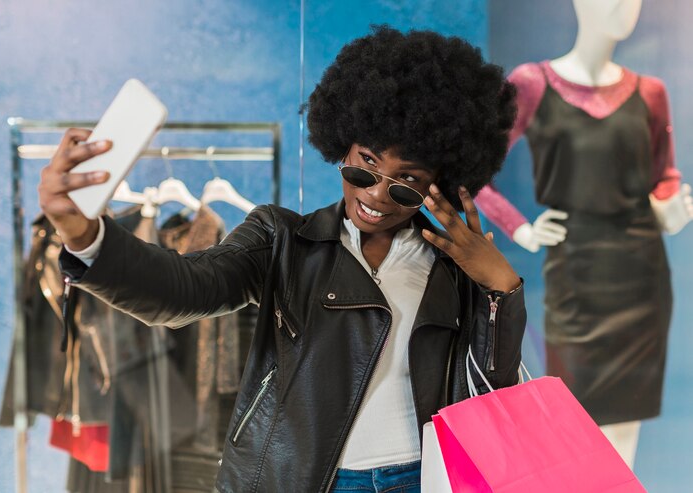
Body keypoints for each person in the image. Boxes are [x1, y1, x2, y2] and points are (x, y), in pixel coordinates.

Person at [39, 26, 525, 492]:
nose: (376, 194)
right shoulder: (282, 240)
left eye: (405, 182)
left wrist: (502, 287)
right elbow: (183, 289)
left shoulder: (452, 268)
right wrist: (84, 235)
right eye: (366, 165)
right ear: (343, 144)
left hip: (418, 480)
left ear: (435, 185)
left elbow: (489, 395)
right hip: (303, 480)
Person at [474, 0, 693, 469]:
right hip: (575, 270)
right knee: (574, 413)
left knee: (627, 419)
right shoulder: (532, 83)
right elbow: (476, 174)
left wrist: (670, 208)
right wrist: (523, 229)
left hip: (642, 273)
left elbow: (666, 174)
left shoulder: (651, 91)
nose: (625, 5)